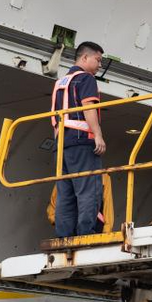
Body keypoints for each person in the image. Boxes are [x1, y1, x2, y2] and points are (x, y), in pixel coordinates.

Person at [51, 41, 106, 237]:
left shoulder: (60, 83)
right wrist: (98, 135)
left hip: (61, 146)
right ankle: (86, 233)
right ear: (84, 58)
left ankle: (64, 235)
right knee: (88, 190)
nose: (99, 65)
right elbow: (88, 107)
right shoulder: (86, 79)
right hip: (82, 142)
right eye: (97, 60)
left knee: (65, 193)